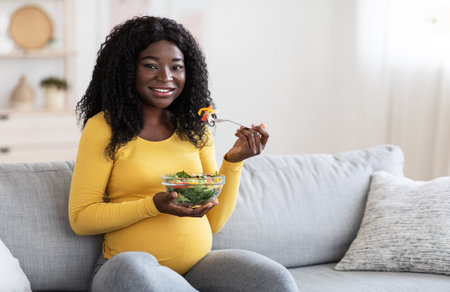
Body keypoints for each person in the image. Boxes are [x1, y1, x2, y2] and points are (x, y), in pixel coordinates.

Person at [68, 16, 297, 292]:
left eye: (176, 67)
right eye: (151, 65)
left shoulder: (195, 128)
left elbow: (213, 221)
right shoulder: (103, 128)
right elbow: (81, 219)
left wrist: (234, 163)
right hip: (128, 271)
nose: (166, 77)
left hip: (197, 267)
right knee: (134, 273)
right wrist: (153, 205)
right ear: (127, 70)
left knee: (275, 281)